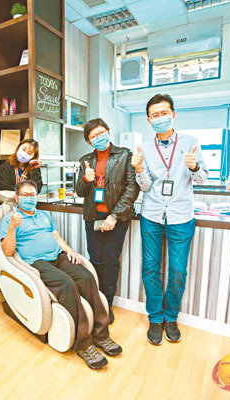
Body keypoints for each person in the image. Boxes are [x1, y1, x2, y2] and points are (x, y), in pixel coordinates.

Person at [0, 180, 122, 370]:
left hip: (57, 256)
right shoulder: (9, 219)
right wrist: (12, 228)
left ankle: (101, 334)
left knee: (87, 277)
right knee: (66, 283)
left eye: (32, 195)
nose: (29, 198)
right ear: (17, 197)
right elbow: (7, 251)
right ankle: (84, 344)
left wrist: (69, 250)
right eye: (25, 195)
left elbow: (57, 238)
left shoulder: (44, 215)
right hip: (36, 263)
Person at [131, 94, 208, 346]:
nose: (160, 118)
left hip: (181, 216)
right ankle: (155, 318)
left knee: (177, 271)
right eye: (155, 115)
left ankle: (171, 317)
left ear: (173, 114)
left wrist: (195, 167)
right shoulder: (145, 147)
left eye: (164, 113)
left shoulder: (190, 142)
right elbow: (145, 186)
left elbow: (202, 179)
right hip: (151, 214)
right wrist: (139, 170)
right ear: (148, 120)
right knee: (150, 269)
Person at [75, 118, 139, 324]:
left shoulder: (125, 155)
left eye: (101, 133)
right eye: (94, 136)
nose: (99, 137)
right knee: (95, 260)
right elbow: (79, 192)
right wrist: (86, 179)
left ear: (108, 132)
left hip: (116, 218)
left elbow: (132, 189)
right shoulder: (85, 160)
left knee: (110, 261)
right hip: (93, 216)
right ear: (89, 141)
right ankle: (97, 301)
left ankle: (107, 305)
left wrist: (114, 216)